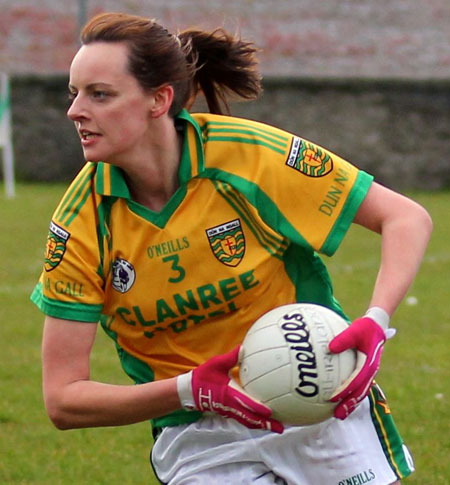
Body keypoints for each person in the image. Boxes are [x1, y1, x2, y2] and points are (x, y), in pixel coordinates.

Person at [31, 12, 432, 485]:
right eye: (73, 92)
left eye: (99, 94)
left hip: (318, 398)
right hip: (198, 433)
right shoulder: (80, 220)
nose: (75, 110)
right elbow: (64, 399)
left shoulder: (245, 155)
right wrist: (192, 390)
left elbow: (405, 217)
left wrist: (375, 321)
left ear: (158, 100)